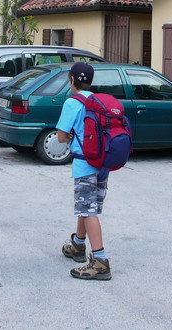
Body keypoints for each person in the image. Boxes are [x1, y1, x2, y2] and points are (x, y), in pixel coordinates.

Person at [55, 61, 112, 280]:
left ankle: (100, 261)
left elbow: (60, 137)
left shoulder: (72, 102)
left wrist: (69, 135)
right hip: (103, 162)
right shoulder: (98, 100)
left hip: (84, 164)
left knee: (88, 211)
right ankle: (78, 245)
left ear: (72, 80)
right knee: (87, 206)